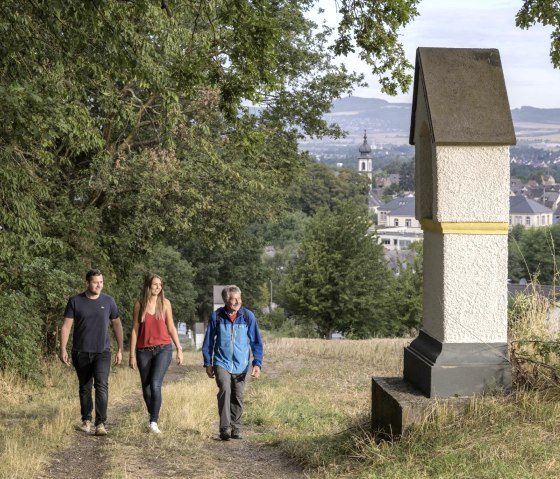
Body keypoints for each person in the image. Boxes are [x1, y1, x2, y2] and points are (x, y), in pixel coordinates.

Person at [60, 269, 124, 436]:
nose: (99, 285)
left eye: (101, 282)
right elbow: (66, 326)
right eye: (95, 282)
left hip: (102, 351)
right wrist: (63, 348)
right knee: (85, 386)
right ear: (87, 282)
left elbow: (117, 324)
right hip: (80, 351)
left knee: (101, 385)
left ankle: (101, 423)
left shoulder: (109, 301)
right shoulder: (75, 301)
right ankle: (86, 421)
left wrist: (120, 349)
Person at [202, 285, 263, 441]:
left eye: (239, 298)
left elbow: (256, 341)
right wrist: (208, 362)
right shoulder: (217, 316)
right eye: (233, 299)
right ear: (225, 300)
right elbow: (208, 340)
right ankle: (225, 427)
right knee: (225, 388)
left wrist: (257, 363)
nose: (237, 302)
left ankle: (235, 426)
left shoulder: (248, 316)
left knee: (238, 395)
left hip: (241, 364)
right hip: (221, 361)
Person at [129, 273, 184, 434]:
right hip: (143, 351)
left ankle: (153, 421)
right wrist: (132, 354)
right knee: (146, 389)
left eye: (160, 284)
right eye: (155, 284)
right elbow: (134, 329)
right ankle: (152, 413)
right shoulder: (139, 305)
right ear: (148, 286)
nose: (158, 287)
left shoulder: (165, 303)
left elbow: (171, 327)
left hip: (163, 349)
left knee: (155, 384)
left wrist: (179, 348)